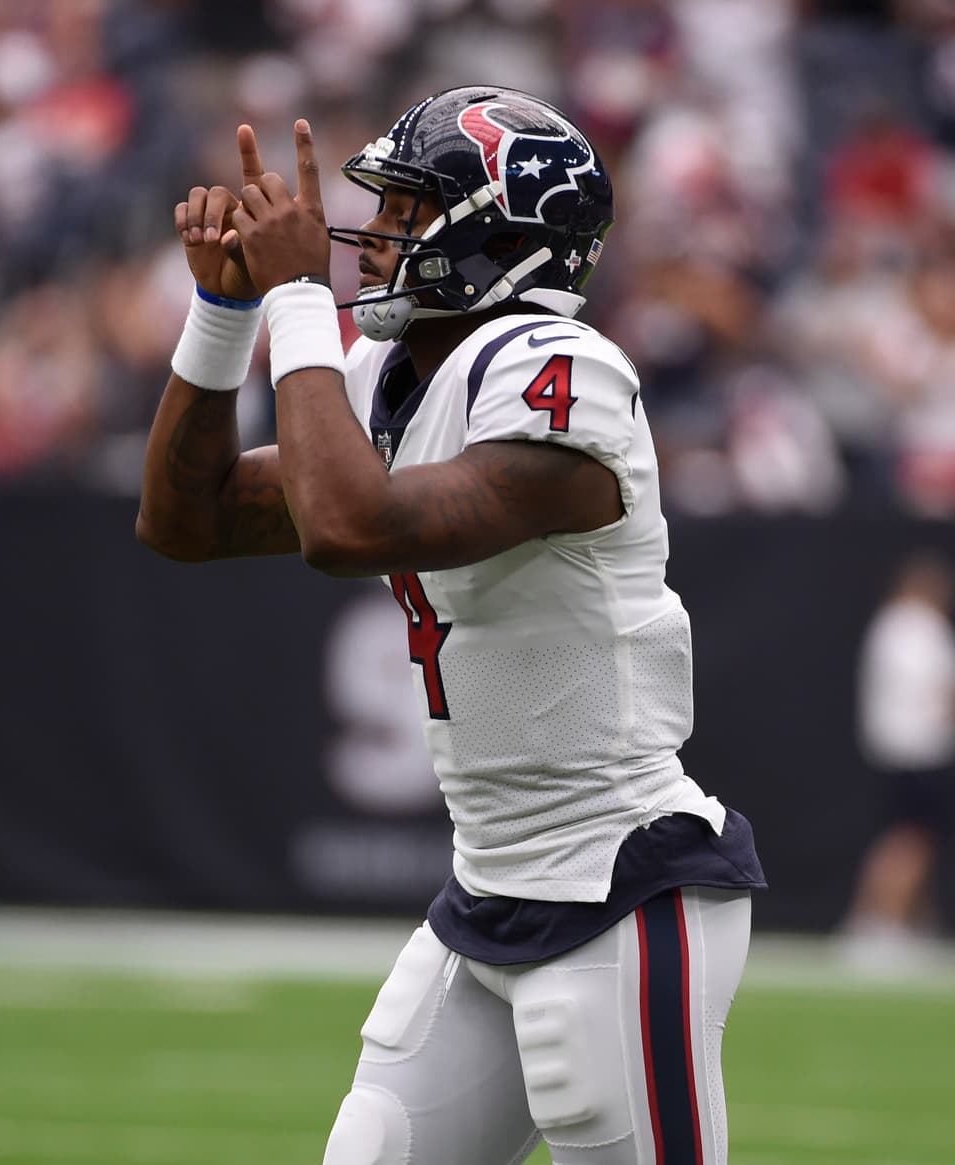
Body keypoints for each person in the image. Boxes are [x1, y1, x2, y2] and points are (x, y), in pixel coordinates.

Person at [137, 86, 766, 1165]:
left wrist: (296, 301)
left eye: (402, 212)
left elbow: (345, 527)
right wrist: (223, 314)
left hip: (620, 884)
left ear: (496, 236)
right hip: (487, 883)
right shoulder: (389, 376)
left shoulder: (560, 373)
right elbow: (180, 521)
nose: (372, 237)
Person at [843, 551, 955, 963]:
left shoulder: (890, 625)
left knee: (907, 838)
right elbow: (942, 692)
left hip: (896, 749)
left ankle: (902, 922)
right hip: (917, 752)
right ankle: (881, 923)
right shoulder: (918, 627)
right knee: (911, 840)